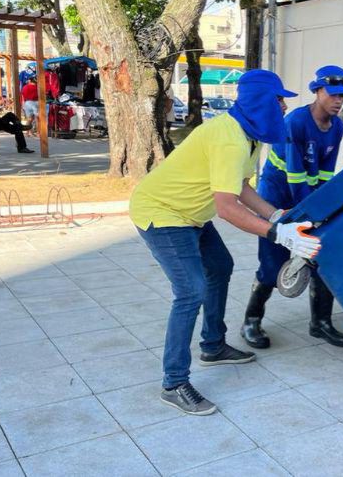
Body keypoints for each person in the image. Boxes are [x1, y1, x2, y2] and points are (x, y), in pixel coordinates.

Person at [129, 69, 321, 415]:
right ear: (261, 101)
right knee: (191, 291)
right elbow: (227, 207)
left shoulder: (249, 135)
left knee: (220, 267)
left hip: (190, 215)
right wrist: (276, 233)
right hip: (163, 212)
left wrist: (275, 215)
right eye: (278, 100)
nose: (282, 107)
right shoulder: (229, 137)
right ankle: (173, 382)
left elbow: (242, 187)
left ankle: (213, 346)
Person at [242, 66, 343, 350]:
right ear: (317, 91)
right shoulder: (296, 122)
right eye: (333, 94)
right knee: (272, 263)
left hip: (306, 195)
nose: (339, 101)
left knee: (321, 256)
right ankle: (251, 321)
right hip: (276, 197)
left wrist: (323, 210)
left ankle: (321, 323)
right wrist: (308, 215)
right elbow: (295, 176)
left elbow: (326, 173)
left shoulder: (338, 126)